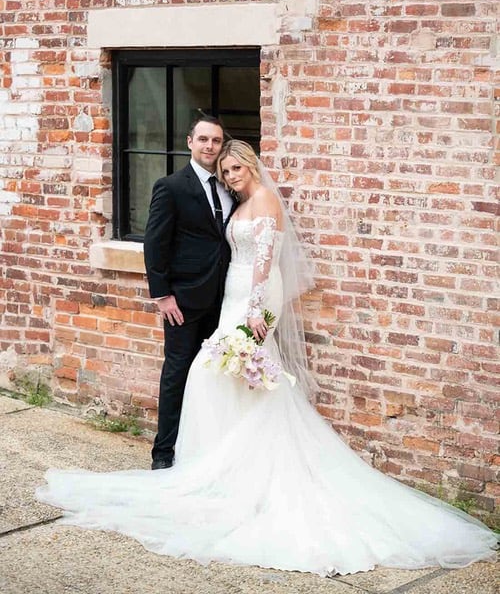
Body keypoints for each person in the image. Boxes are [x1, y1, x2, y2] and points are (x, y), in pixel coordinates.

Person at [37, 141, 497, 576]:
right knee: (227, 377)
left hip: (255, 299)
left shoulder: (266, 202)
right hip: (233, 295)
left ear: (251, 164)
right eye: (225, 171)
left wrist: (257, 309)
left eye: (236, 168)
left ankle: (240, 470)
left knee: (223, 373)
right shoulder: (238, 202)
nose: (231, 176)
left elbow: (265, 260)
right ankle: (224, 467)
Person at [143, 114, 235, 469]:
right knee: (177, 373)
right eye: (203, 139)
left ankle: (200, 448)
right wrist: (163, 295)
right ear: (190, 142)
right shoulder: (171, 186)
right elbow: (155, 243)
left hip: (224, 299)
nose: (210, 146)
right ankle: (163, 453)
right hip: (183, 300)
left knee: (211, 376)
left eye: (216, 140)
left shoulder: (229, 185)